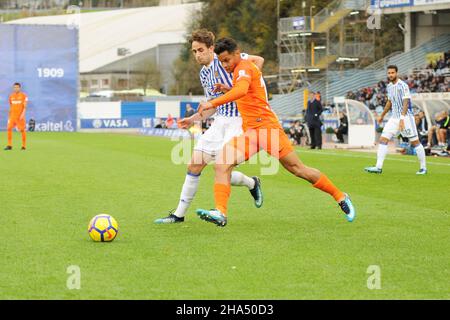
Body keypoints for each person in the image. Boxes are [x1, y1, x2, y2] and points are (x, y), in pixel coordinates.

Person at [194, 37, 356, 227]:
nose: (225, 65)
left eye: (227, 60)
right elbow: (246, 90)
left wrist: (212, 102)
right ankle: (220, 212)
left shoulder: (244, 67)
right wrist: (228, 88)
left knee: (298, 170)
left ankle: (340, 195)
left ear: (237, 54)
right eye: (221, 62)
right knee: (221, 164)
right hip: (251, 133)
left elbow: (241, 90)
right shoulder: (239, 70)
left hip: (268, 130)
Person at [154, 29, 265, 224]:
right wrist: (193, 119)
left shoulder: (226, 59)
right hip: (220, 121)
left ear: (211, 49)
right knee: (194, 165)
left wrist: (250, 84)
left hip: (240, 120)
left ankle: (228, 204)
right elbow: (213, 105)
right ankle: (178, 215)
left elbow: (259, 61)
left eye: (201, 50)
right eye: (194, 51)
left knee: (223, 168)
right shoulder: (204, 73)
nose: (197, 55)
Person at [365, 65, 427, 175]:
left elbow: (406, 102)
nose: (390, 75)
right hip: (394, 118)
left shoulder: (403, 86)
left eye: (392, 73)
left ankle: (423, 168)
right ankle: (378, 167)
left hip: (406, 118)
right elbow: (390, 102)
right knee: (383, 139)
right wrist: (382, 115)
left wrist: (402, 118)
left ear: (396, 73)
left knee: (415, 142)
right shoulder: (389, 86)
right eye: (389, 73)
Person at [5, 83, 28, 151]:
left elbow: (25, 107)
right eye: (14, 87)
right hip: (12, 116)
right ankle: (9, 145)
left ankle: (23, 146)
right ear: (13, 88)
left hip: (20, 117)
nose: (16, 88)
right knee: (9, 128)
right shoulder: (11, 96)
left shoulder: (24, 96)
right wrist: (9, 116)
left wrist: (22, 115)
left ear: (20, 88)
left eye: (17, 87)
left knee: (22, 130)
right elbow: (11, 106)